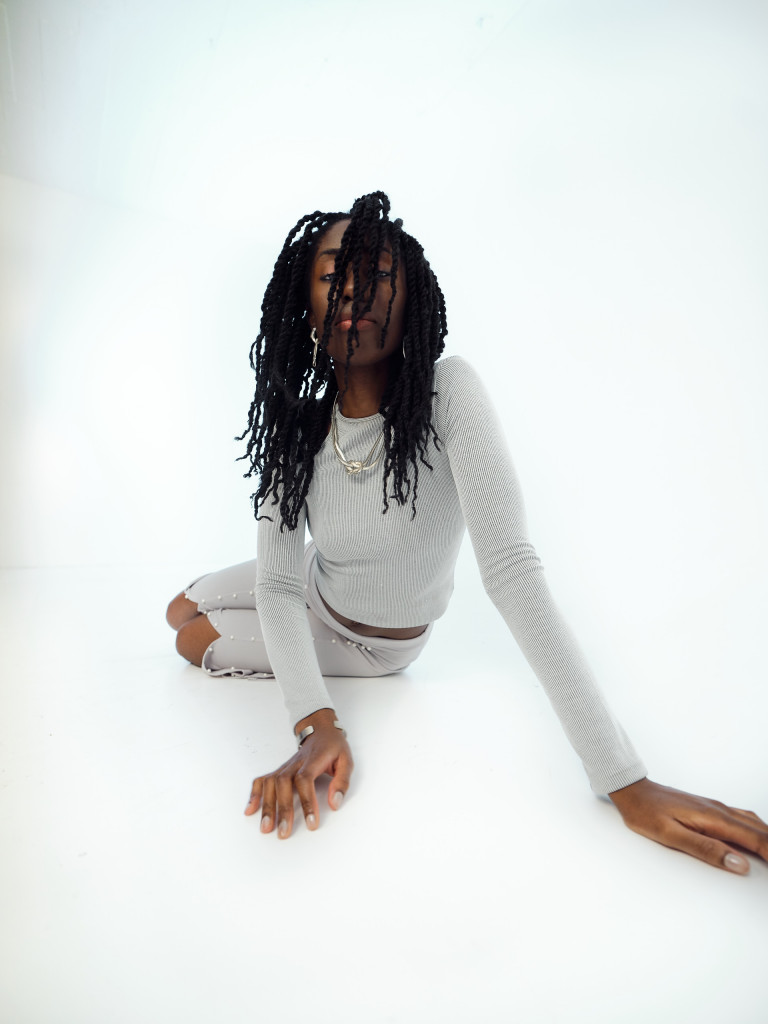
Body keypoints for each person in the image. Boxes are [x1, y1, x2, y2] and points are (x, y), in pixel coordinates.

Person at [166, 191, 767, 872]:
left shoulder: (448, 394)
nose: (356, 288)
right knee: (178, 607)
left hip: (371, 643)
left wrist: (624, 779)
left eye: (379, 273)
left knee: (192, 639)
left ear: (412, 301)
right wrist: (315, 723)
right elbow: (278, 584)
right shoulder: (298, 427)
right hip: (312, 577)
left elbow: (510, 570)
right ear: (305, 308)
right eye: (334, 273)